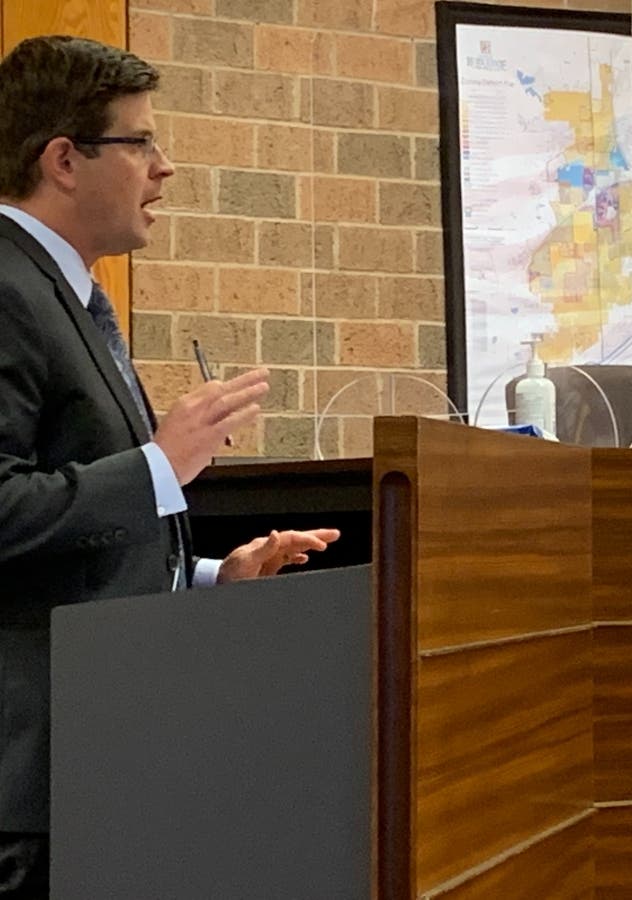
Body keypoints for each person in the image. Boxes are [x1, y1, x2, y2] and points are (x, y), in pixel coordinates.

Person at [0, 35, 339, 895]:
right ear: (65, 159)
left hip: (88, 756)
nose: (166, 168)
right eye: (141, 142)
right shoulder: (5, 286)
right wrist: (159, 464)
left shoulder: (63, 290)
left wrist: (206, 574)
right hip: (30, 771)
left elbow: (70, 539)